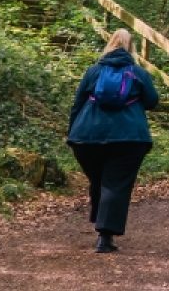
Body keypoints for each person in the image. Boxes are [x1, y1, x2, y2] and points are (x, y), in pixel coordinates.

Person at [67, 29, 160, 254]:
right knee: (115, 184)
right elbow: (152, 101)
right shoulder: (138, 73)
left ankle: (101, 220)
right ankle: (105, 236)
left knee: (100, 180)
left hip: (86, 137)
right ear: (131, 48)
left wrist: (72, 132)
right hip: (128, 137)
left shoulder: (93, 72)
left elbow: (77, 103)